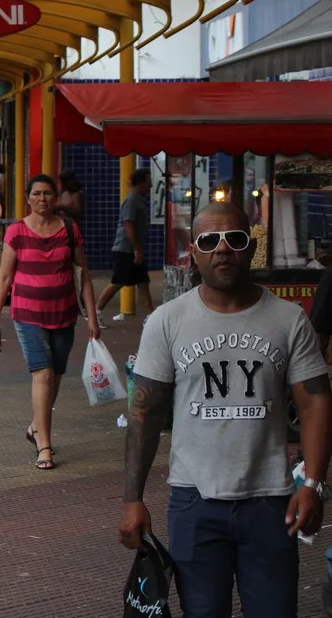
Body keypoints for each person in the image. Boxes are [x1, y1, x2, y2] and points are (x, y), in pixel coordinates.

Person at [119, 202, 332, 618]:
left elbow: (315, 403)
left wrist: (313, 484)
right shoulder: (167, 321)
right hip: (193, 503)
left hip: (271, 503)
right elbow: (143, 414)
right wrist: (132, 499)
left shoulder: (289, 319)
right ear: (193, 252)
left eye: (233, 239)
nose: (222, 249)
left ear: (250, 248)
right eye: (209, 241)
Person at [0, 174, 101, 470]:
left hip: (64, 314)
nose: (42, 199)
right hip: (27, 315)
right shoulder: (17, 231)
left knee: (56, 376)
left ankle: (36, 425)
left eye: (48, 193)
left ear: (56, 198)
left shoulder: (69, 229)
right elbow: (4, 278)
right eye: (36, 193)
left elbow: (84, 275)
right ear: (28, 198)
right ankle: (45, 445)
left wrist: (92, 316)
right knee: (43, 375)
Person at [95, 168, 155, 327]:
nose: (151, 186)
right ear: (140, 182)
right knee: (117, 282)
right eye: (148, 182)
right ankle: (97, 312)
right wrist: (137, 249)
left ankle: (151, 318)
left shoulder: (138, 200)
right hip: (126, 250)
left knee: (143, 283)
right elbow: (129, 226)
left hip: (132, 250)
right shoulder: (132, 200)